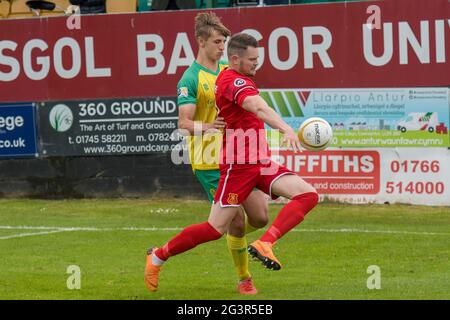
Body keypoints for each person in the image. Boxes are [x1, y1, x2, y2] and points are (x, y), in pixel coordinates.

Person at [144, 32, 319, 292]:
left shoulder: (235, 75)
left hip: (259, 161)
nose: (256, 63)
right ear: (235, 59)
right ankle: (158, 255)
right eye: (252, 59)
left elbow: (256, 108)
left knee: (306, 196)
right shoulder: (232, 81)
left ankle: (265, 243)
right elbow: (258, 108)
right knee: (215, 228)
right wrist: (286, 129)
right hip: (238, 166)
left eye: (258, 58)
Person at [146, 12, 269, 295]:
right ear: (201, 41)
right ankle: (243, 279)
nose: (222, 46)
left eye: (224, 40)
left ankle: (228, 240)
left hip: (237, 157)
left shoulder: (229, 69)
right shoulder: (190, 78)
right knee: (235, 221)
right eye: (216, 41)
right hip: (210, 160)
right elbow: (183, 124)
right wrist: (208, 126)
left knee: (260, 217)